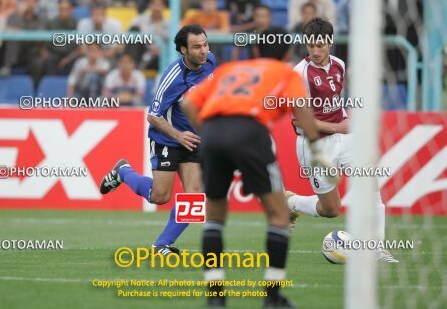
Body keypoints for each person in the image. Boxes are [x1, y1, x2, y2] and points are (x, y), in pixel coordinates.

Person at [180, 26, 334, 308]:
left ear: (255, 51)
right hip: (250, 132)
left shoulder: (230, 69)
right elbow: (302, 108)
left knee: (214, 218)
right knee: (278, 216)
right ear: (287, 53)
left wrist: (210, 131)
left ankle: (215, 297)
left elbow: (189, 103)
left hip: (213, 132)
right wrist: (316, 147)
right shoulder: (286, 72)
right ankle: (272, 297)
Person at [285, 18, 398, 263]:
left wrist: (349, 119)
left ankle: (377, 247)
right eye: (311, 46)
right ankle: (292, 203)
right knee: (331, 210)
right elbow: (299, 121)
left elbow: (337, 102)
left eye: (320, 45)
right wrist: (338, 126)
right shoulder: (300, 74)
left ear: (331, 42)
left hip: (345, 138)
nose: (315, 51)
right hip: (314, 145)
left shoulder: (339, 65)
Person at [99, 25, 216, 255]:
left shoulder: (210, 62)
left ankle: (161, 245)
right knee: (159, 197)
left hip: (193, 139)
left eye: (205, 44)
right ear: (183, 50)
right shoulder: (173, 78)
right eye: (196, 47)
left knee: (193, 198)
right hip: (168, 139)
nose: (203, 51)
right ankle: (123, 172)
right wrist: (178, 135)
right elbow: (152, 115)